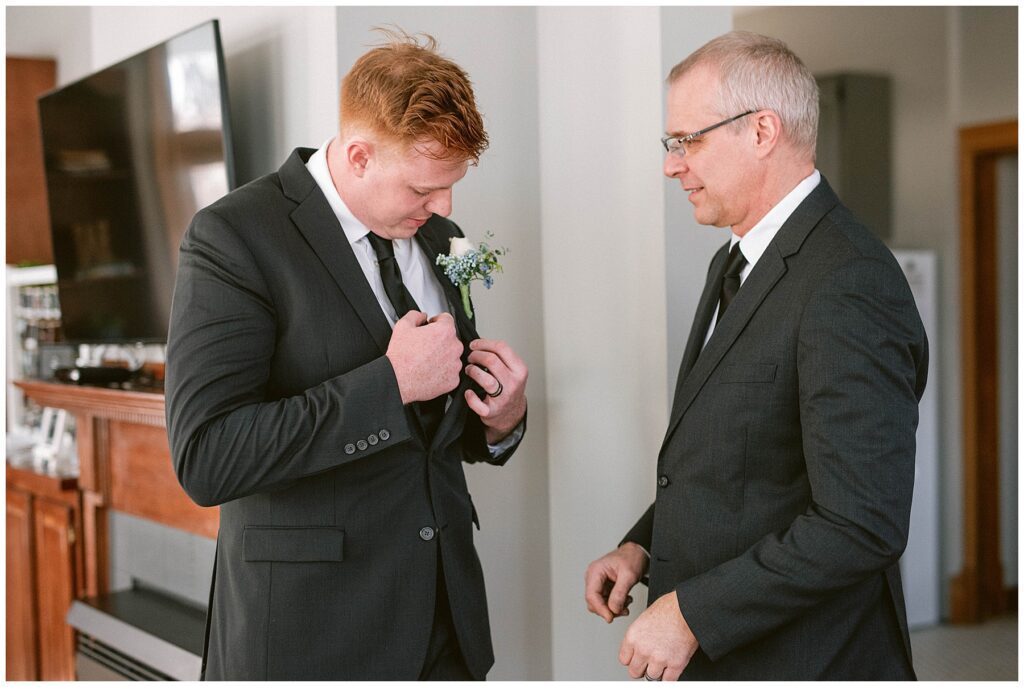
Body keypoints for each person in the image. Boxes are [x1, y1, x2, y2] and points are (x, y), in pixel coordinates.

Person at [166, 30, 528, 681]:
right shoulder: (234, 237)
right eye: (423, 188)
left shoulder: (440, 236)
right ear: (359, 156)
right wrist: (390, 384)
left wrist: (501, 422)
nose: (444, 207)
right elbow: (207, 457)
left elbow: (435, 430)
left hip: (446, 627)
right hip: (313, 637)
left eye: (451, 186)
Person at [584, 31, 927, 681]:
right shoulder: (732, 261)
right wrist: (643, 546)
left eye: (689, 140)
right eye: (670, 144)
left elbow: (862, 523)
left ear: (763, 131)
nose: (672, 165)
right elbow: (742, 460)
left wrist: (693, 613)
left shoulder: (848, 281)